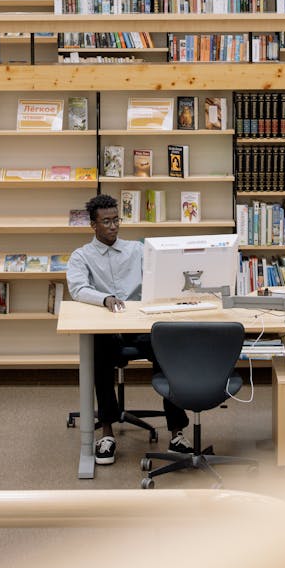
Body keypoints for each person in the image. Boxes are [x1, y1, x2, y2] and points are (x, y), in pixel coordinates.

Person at [66, 194, 190, 466]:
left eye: (116, 220)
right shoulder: (81, 257)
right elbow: (77, 289)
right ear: (93, 225)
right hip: (108, 329)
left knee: (169, 354)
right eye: (106, 221)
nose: (113, 226)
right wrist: (105, 298)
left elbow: (159, 275)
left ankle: (177, 433)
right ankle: (107, 433)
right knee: (98, 354)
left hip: (139, 325)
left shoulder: (137, 250)